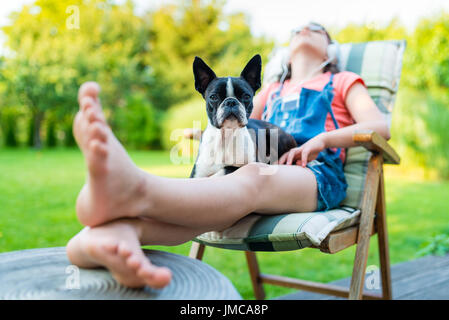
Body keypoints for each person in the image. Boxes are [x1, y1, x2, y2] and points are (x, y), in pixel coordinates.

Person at [66, 22, 390, 289]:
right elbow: (240, 128)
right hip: (266, 169)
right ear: (287, 52)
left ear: (329, 48)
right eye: (297, 29)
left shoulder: (342, 80)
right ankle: (109, 236)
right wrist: (206, 135)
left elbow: (380, 126)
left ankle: (136, 188)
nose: (304, 29)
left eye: (315, 28)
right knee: (221, 204)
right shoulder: (271, 90)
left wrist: (323, 140)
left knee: (250, 176)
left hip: (317, 173)